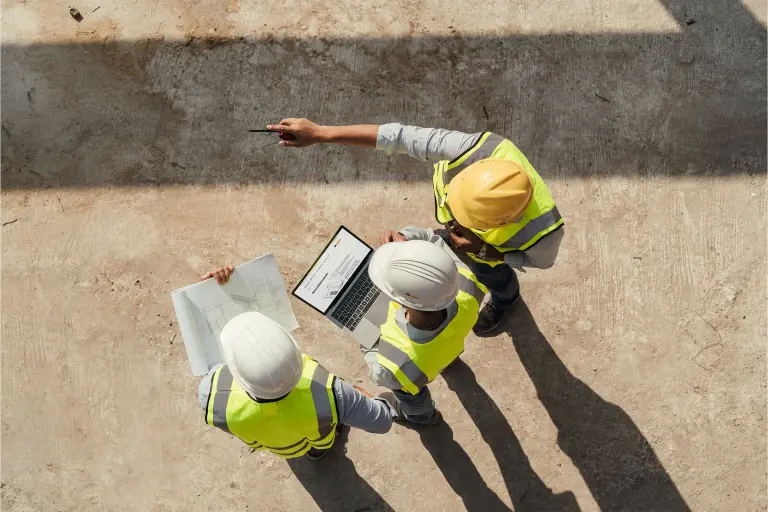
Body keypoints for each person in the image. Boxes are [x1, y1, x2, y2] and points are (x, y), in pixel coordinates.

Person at [266, 119, 564, 334]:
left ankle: (506, 299)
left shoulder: (545, 233)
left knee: (495, 277)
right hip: (476, 241)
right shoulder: (476, 149)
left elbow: (539, 262)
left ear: (503, 221)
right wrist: (320, 133)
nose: (453, 219)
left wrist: (487, 252)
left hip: (489, 255)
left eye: (464, 217)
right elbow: (398, 137)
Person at [197, 266, 397, 460]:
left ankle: (312, 453)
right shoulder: (332, 393)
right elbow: (382, 421)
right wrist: (354, 395)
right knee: (321, 440)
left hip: (279, 446)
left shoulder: (211, 395)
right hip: (318, 436)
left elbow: (212, 361)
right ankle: (318, 451)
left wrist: (210, 294)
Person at [361, 230, 487, 425]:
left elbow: (379, 376)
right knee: (442, 352)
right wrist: (408, 245)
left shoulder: (394, 366)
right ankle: (448, 363)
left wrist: (365, 339)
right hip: (446, 348)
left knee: (410, 394)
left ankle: (423, 417)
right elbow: (431, 240)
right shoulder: (467, 284)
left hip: (417, 370)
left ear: (400, 301)